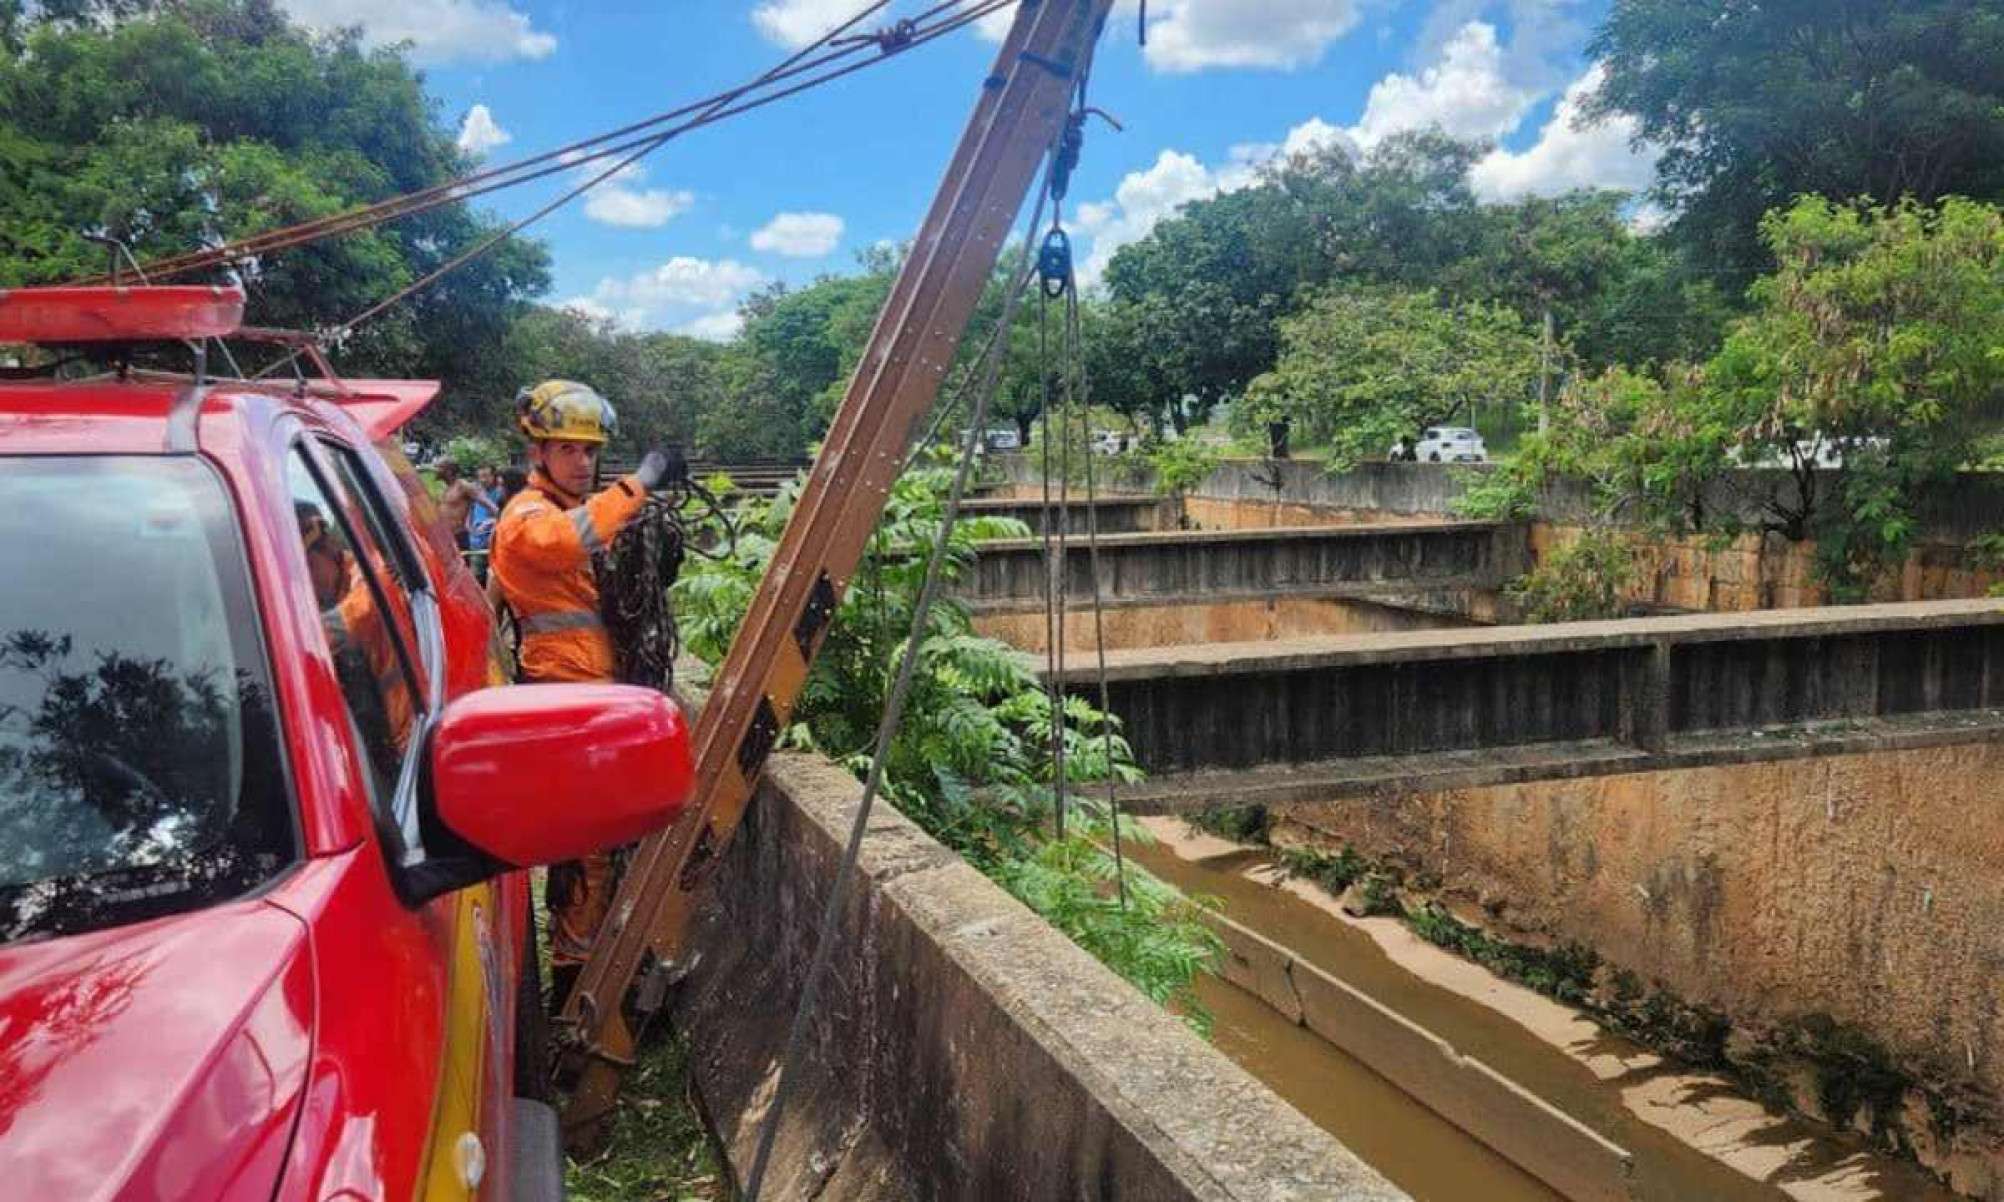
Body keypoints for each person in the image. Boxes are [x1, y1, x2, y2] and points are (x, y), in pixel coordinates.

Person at [491, 379, 675, 1003]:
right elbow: (570, 541)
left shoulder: (572, 509)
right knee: (584, 852)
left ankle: (592, 972)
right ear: (538, 452)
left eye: (590, 451)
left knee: (601, 846)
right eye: (568, 449)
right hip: (563, 699)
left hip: (595, 695)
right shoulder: (526, 518)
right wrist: (642, 480)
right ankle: (575, 986)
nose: (582, 461)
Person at [435, 461, 484, 554]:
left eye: (439, 467)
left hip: (459, 536)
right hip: (443, 537)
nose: (435, 470)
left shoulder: (464, 486)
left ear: (448, 471)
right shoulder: (442, 488)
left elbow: (488, 504)